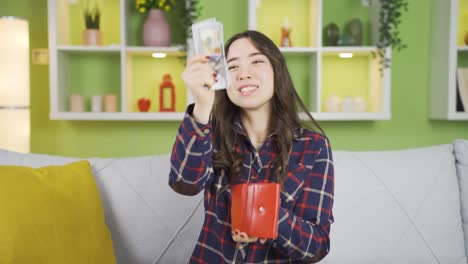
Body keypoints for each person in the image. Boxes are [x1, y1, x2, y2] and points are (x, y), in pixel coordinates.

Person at [169, 30, 334, 263]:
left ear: (277, 71)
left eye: (257, 61)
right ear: (223, 79)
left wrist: (265, 218)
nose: (244, 74)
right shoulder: (211, 133)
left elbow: (316, 246)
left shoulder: (314, 147)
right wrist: (202, 106)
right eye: (233, 67)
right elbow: (184, 183)